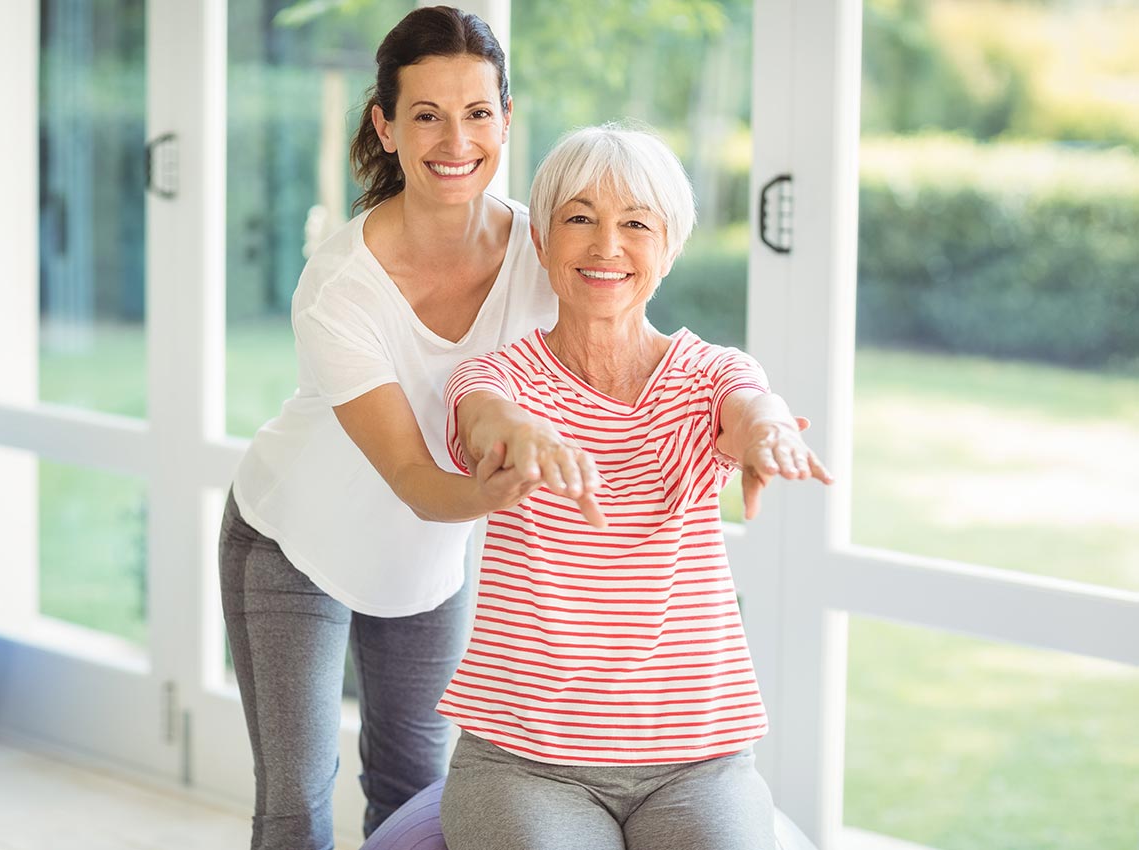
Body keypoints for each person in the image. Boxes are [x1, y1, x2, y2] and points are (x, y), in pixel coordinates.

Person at [427, 124, 835, 850]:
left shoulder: (708, 373)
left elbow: (749, 406)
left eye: (636, 223)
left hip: (698, 762)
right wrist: (521, 438)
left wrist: (768, 435)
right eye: (579, 217)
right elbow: (482, 416)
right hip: (525, 762)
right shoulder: (499, 378)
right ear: (543, 243)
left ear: (670, 247)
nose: (606, 245)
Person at [218, 7, 557, 850]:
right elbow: (410, 475)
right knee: (296, 807)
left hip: (423, 559)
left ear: (506, 120)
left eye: (478, 112)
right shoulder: (341, 284)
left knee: (415, 794)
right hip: (294, 545)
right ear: (386, 124)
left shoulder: (541, 254)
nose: (456, 139)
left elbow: (619, 343)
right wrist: (505, 486)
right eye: (427, 114)